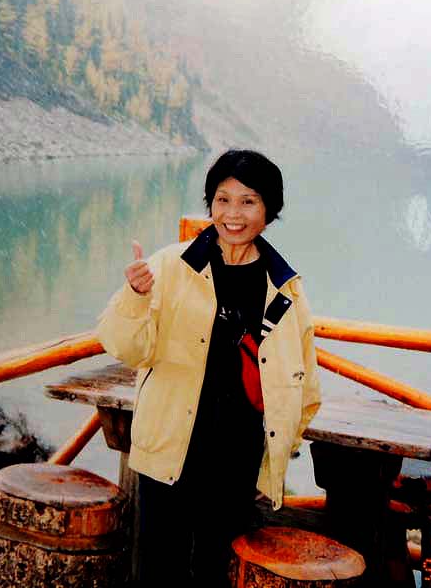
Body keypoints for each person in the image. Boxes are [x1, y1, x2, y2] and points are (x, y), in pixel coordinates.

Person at [96, 149, 321, 587]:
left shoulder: (285, 288)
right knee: (161, 571)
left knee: (217, 572)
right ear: (210, 204)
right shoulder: (171, 265)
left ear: (270, 211)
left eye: (248, 201)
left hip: (237, 458)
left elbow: (305, 385)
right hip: (170, 449)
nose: (233, 214)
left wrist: (276, 454)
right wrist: (135, 297)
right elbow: (126, 348)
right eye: (222, 200)